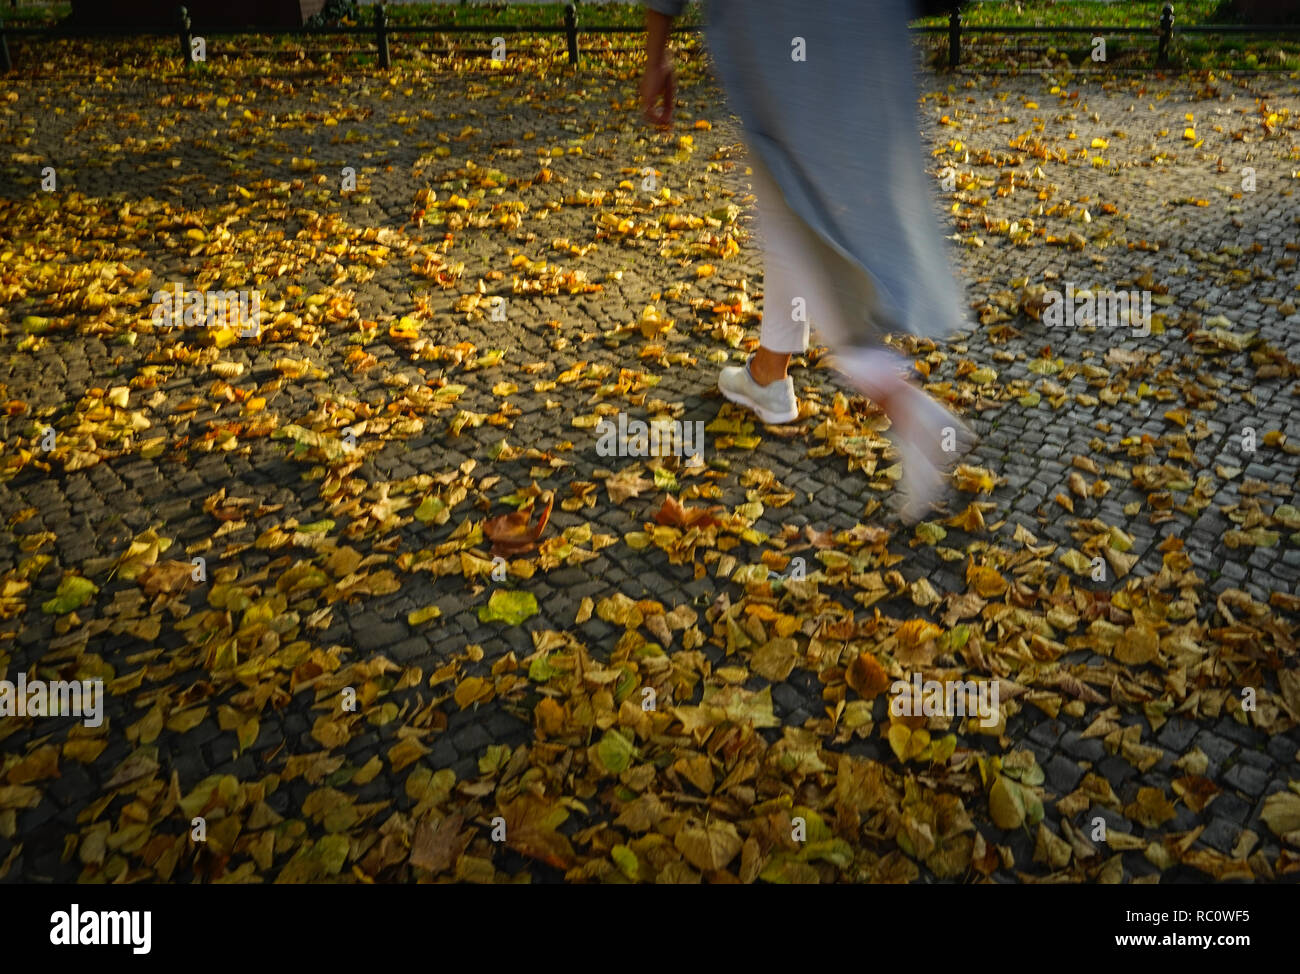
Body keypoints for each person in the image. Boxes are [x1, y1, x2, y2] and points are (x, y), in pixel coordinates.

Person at [640, 0, 974, 522]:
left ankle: (902, 403)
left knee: (793, 208)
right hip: (863, 29)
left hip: (776, 36)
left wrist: (656, 53)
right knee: (801, 204)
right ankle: (770, 374)